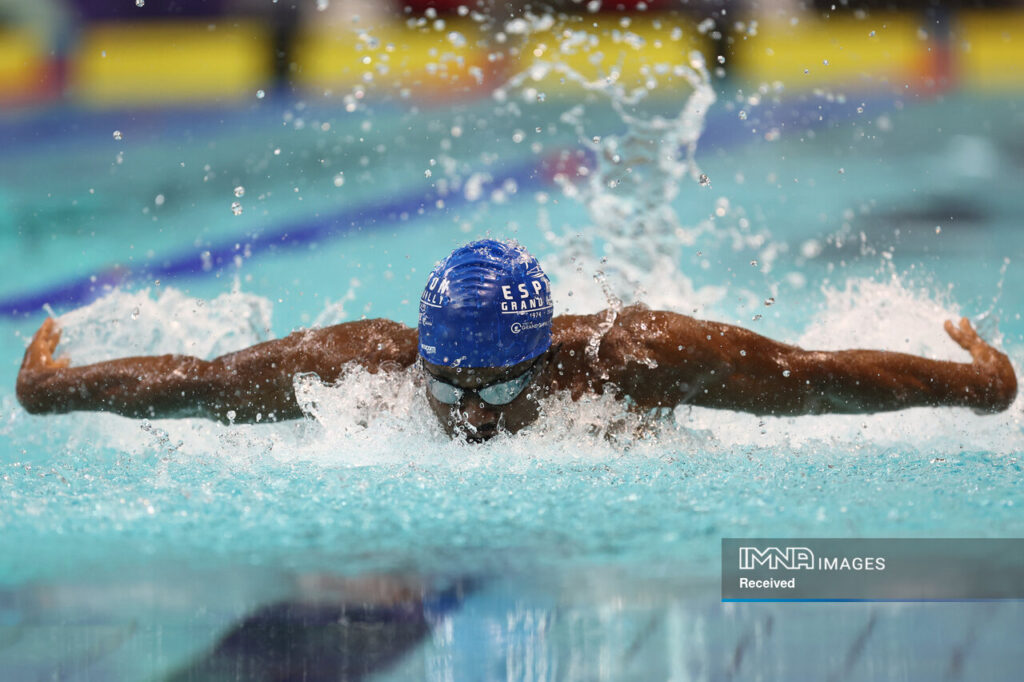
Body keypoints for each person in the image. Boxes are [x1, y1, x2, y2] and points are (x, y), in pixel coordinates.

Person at [16, 239, 1017, 443]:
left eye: (500, 392)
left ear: (547, 360)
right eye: (453, 389)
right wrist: (50, 390)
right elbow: (197, 382)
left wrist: (980, 386)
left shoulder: (635, 358)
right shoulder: (361, 365)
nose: (474, 419)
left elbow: (819, 379)